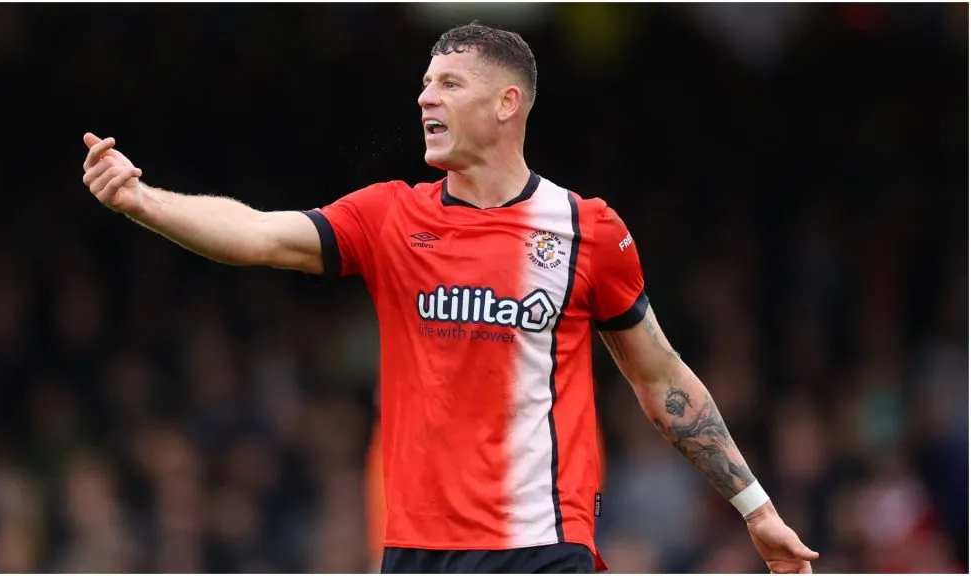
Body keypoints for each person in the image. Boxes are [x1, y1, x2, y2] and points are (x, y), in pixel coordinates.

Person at [81, 21, 818, 575]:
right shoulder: (390, 217)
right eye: (425, 85)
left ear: (507, 104)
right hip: (415, 552)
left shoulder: (585, 230)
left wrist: (755, 508)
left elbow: (660, 381)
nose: (425, 97)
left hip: (539, 544)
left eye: (448, 85)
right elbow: (257, 235)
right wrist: (143, 202)